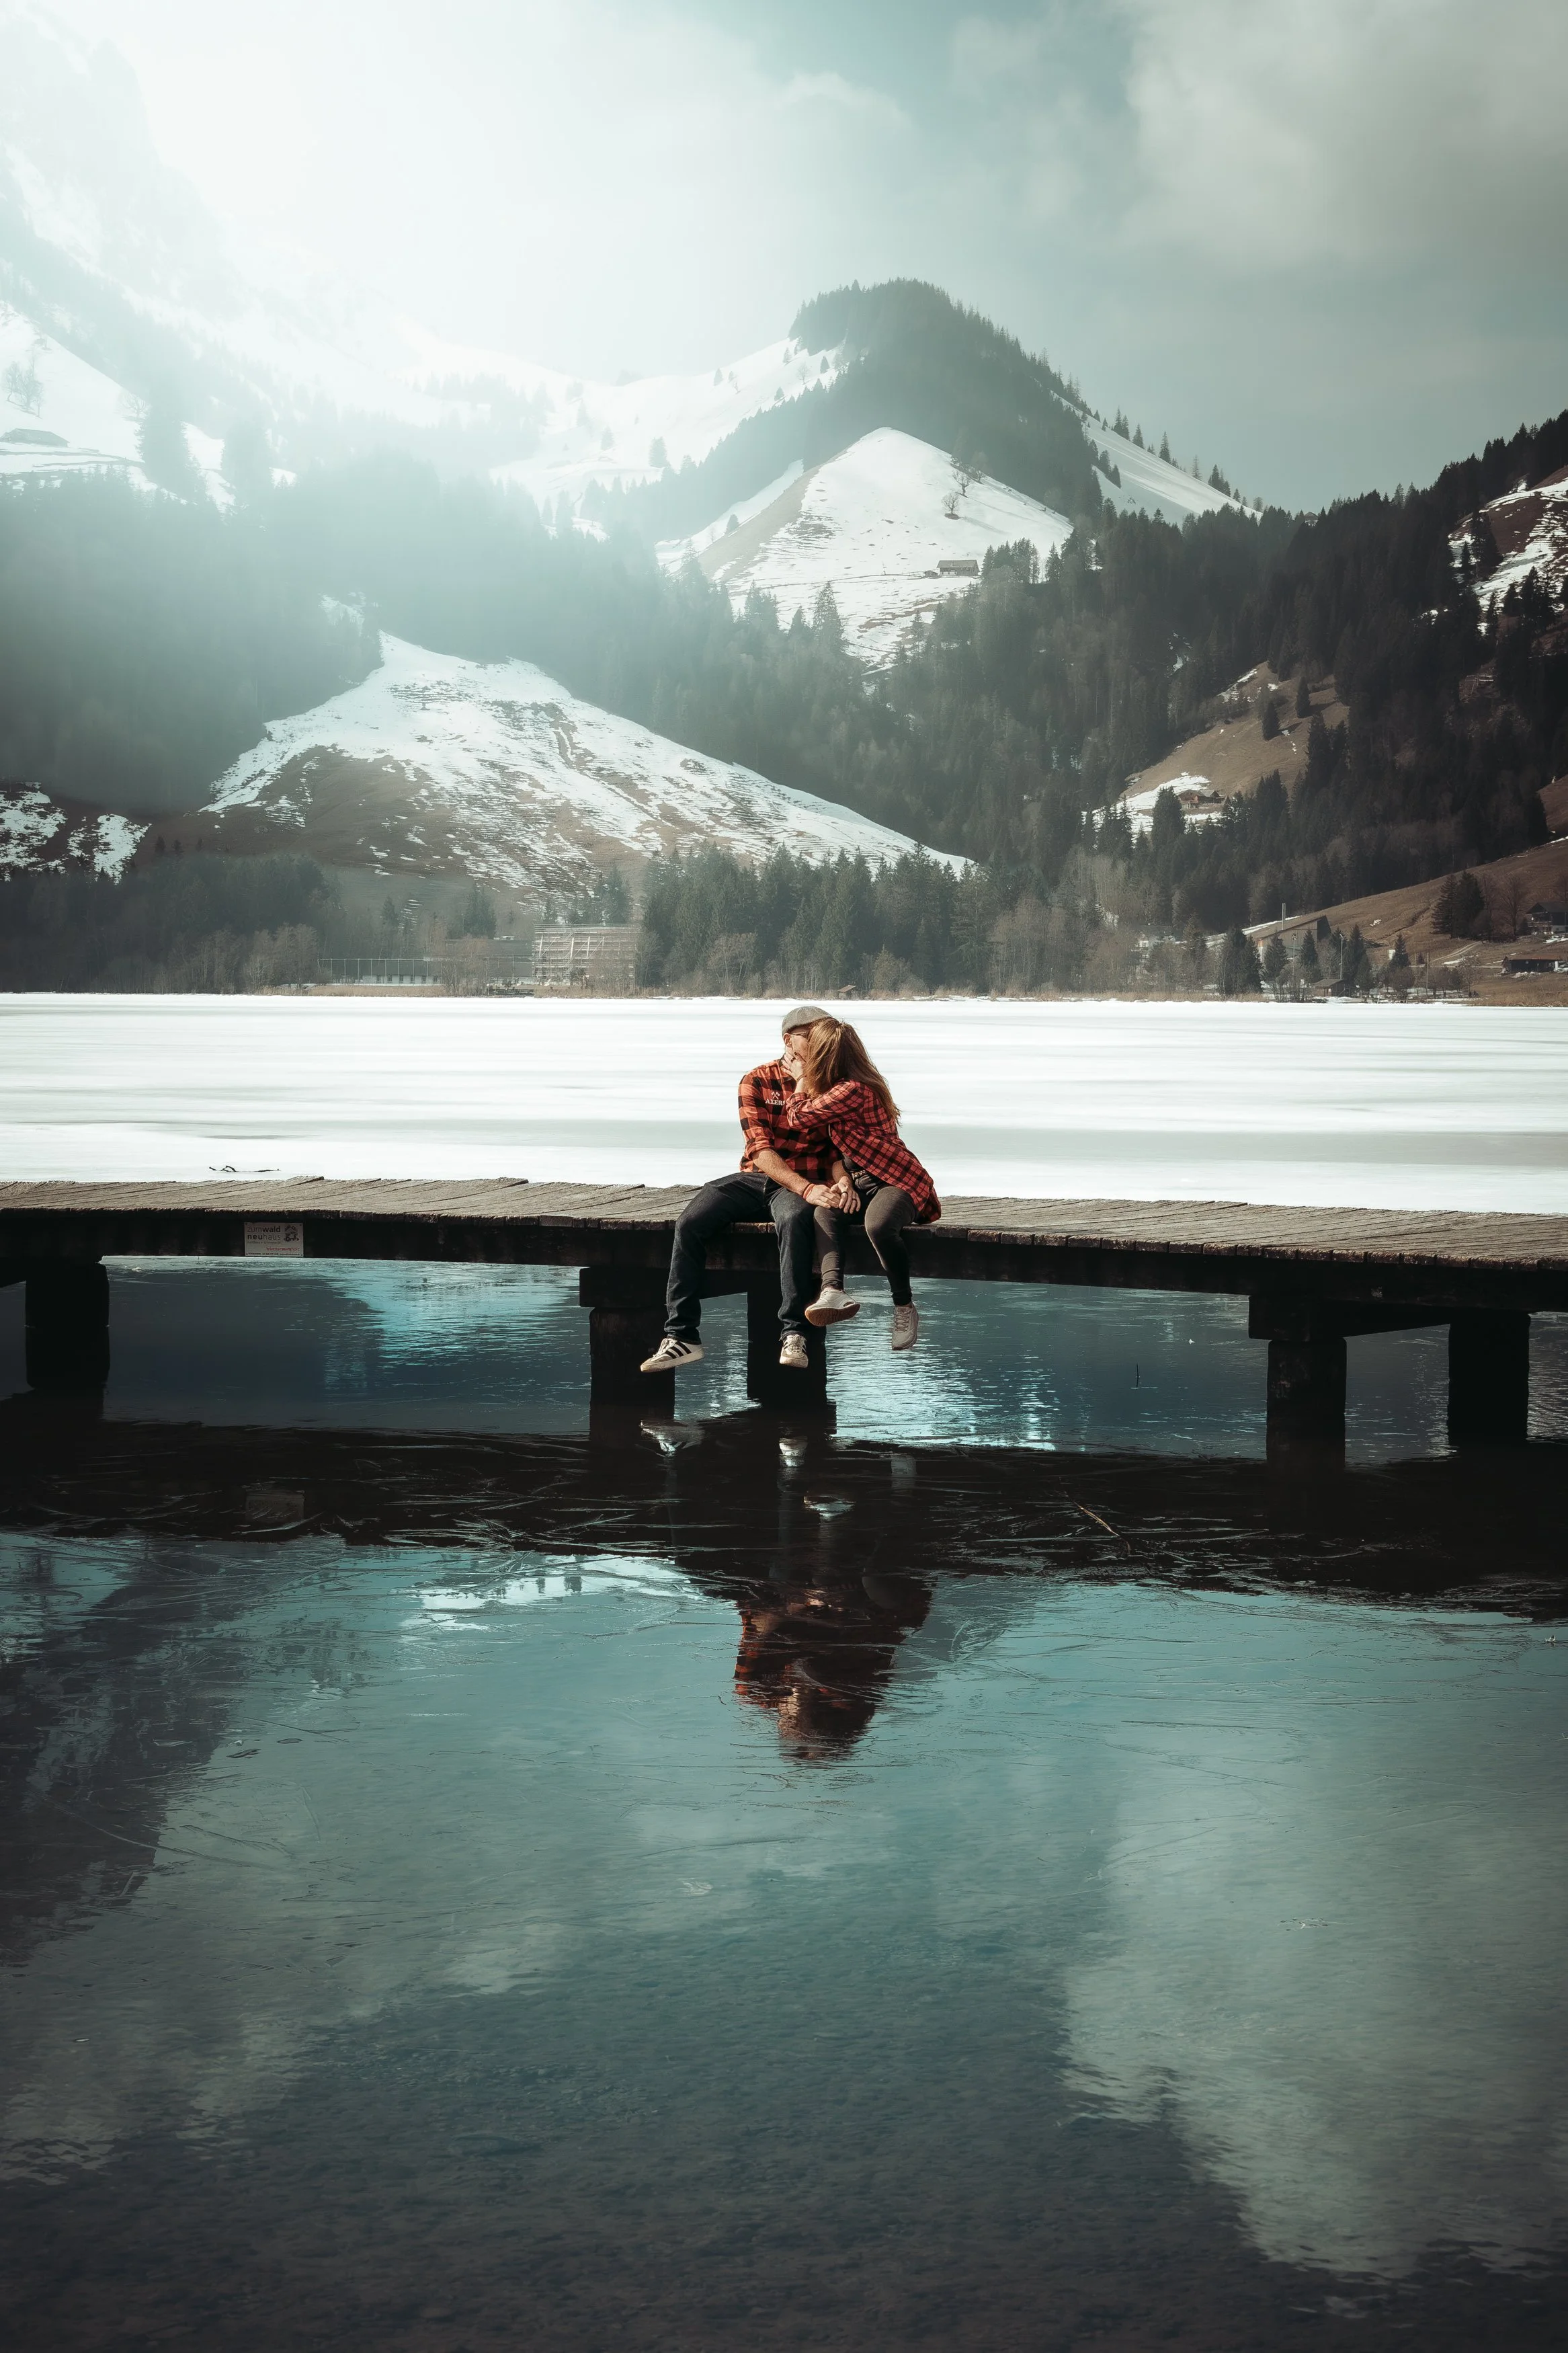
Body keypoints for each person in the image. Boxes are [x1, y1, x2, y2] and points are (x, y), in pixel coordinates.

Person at [641, 1005, 848, 1377]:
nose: (820, 1042)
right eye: (812, 1036)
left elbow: (837, 1147)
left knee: (794, 1220)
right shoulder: (756, 1080)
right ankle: (682, 1335)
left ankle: (794, 1332)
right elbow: (760, 1150)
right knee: (691, 1221)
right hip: (758, 1177)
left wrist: (836, 1180)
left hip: (800, 1184)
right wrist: (807, 1189)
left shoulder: (832, 1083)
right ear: (790, 1039)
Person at [778, 1016, 940, 1351]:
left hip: (896, 1179)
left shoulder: (851, 1090)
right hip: (862, 1180)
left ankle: (904, 1306)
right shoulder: (843, 1087)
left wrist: (801, 1080)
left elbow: (797, 1118)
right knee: (825, 1213)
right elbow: (842, 1153)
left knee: (878, 1226)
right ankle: (833, 1291)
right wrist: (845, 1183)